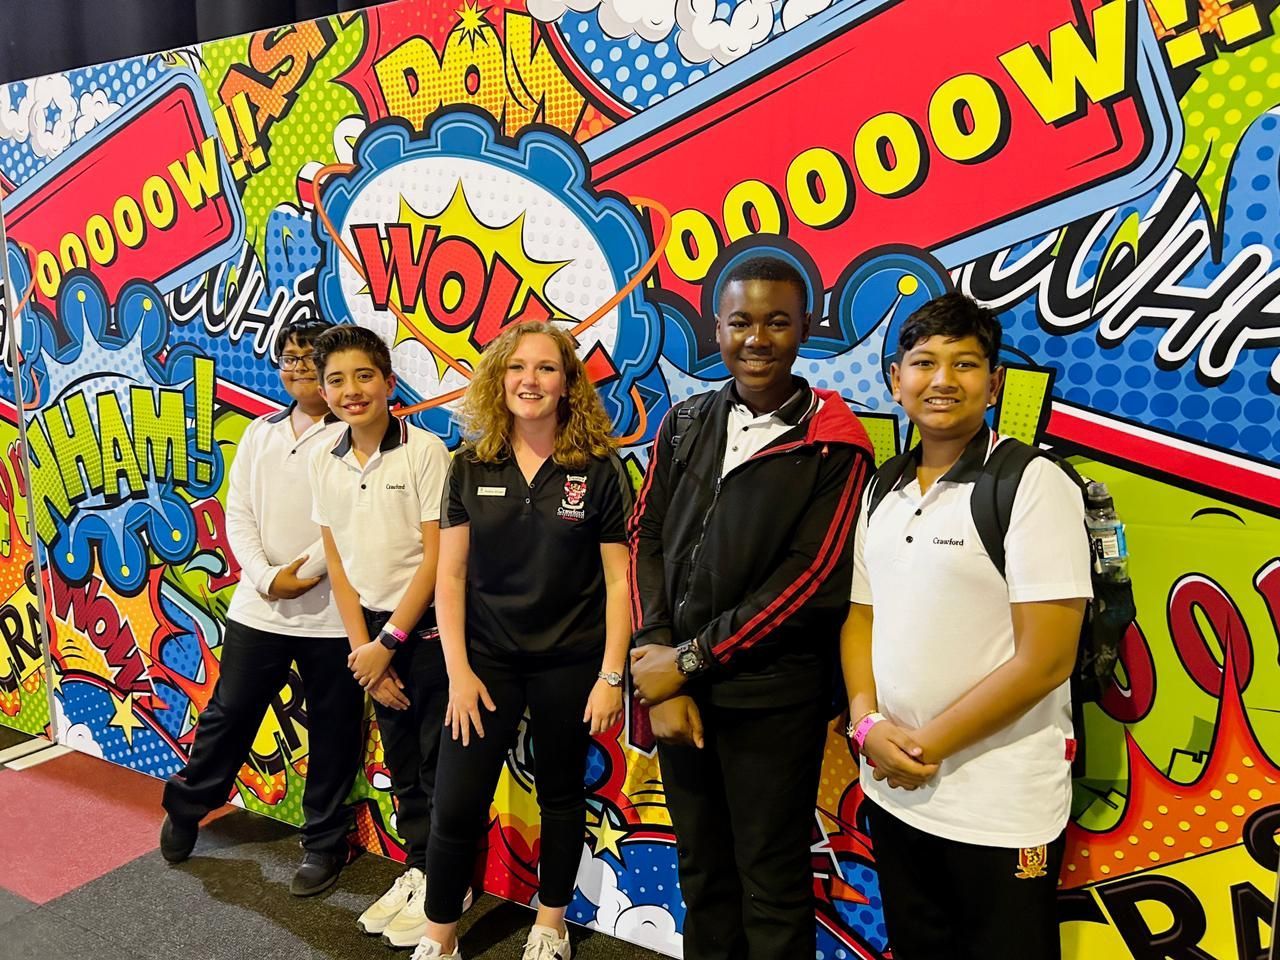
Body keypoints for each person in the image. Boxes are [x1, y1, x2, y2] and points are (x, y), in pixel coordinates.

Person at [629, 255, 874, 960]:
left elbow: (812, 579)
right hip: (675, 687)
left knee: (770, 882)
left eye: (776, 322)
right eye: (741, 321)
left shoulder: (835, 444)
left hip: (769, 701)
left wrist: (687, 661)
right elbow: (647, 534)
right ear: (717, 327)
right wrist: (655, 657)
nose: (756, 338)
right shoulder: (684, 422)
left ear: (805, 329)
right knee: (702, 871)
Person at [840, 293, 1092, 960]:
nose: (943, 380)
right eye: (924, 362)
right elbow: (861, 617)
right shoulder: (884, 487)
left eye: (965, 364)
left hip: (1000, 808)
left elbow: (1046, 659)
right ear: (896, 380)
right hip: (896, 792)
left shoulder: (1033, 483)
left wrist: (923, 749)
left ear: (994, 384)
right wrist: (866, 727)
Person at [413, 321, 632, 960]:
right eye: (516, 368)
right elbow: (449, 574)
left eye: (545, 369)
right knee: (456, 803)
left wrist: (610, 675)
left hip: (571, 662)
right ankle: (440, 936)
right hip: (484, 663)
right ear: (497, 380)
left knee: (561, 795)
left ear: (568, 384)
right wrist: (458, 669)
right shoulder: (469, 464)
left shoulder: (597, 469)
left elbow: (619, 582)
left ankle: (550, 924)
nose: (529, 381)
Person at [159, 317, 363, 897]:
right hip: (258, 609)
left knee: (333, 732)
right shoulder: (260, 433)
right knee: (228, 718)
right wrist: (270, 578)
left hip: (334, 618)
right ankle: (187, 806)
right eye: (289, 356)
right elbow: (237, 513)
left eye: (309, 358)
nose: (297, 367)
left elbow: (352, 521)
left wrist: (306, 574)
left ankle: (323, 844)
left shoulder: (357, 435)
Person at [306, 325, 454, 948]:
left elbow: (436, 558)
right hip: (369, 638)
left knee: (437, 759)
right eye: (335, 380)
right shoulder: (324, 457)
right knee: (400, 761)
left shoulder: (425, 451)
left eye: (363, 376)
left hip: (426, 630)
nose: (350, 390)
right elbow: (337, 566)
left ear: (389, 382)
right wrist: (361, 652)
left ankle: (448, 881)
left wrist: (387, 644)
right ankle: (418, 869)